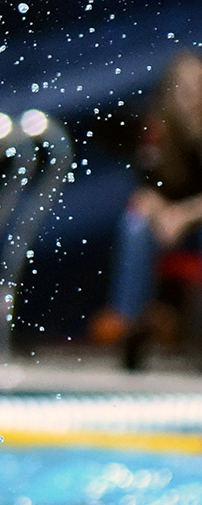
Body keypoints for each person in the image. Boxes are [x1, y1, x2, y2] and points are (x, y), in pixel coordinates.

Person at [90, 51, 202, 369]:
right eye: (186, 90)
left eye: (200, 87)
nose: (194, 97)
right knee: (135, 223)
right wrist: (158, 210)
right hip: (171, 223)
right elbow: (148, 189)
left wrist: (185, 215)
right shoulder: (155, 134)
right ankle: (131, 323)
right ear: (169, 93)